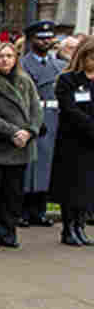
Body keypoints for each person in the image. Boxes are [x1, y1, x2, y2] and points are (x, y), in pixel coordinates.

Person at [0, 40, 42, 249]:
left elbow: (36, 109)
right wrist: (13, 132)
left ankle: (8, 232)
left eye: (9, 56)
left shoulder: (25, 80)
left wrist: (30, 131)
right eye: (1, 56)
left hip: (20, 147)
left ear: (15, 59)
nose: (5, 60)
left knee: (12, 195)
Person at [50, 35, 94, 245]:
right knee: (72, 187)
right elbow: (70, 109)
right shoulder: (68, 79)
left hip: (91, 143)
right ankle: (68, 228)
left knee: (88, 187)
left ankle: (80, 225)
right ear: (82, 56)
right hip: (73, 141)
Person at [21, 20, 62, 227]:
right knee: (28, 167)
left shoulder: (60, 66)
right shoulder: (22, 65)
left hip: (52, 117)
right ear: (31, 40)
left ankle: (40, 210)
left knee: (46, 166)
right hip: (29, 118)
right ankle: (22, 210)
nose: (46, 42)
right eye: (40, 38)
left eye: (49, 38)